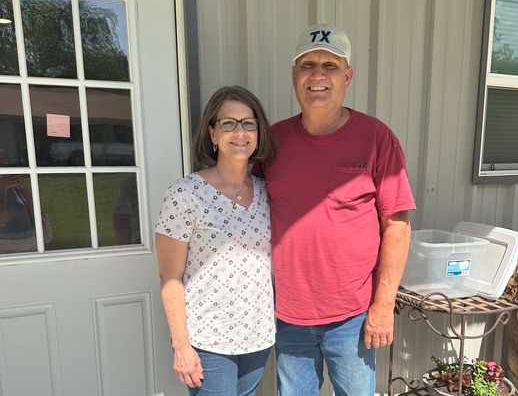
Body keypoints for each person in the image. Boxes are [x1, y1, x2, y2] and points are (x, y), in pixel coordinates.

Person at [252, 23, 417, 395]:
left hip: (353, 316)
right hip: (289, 314)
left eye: (330, 66)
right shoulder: (272, 142)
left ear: (348, 76)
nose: (318, 75)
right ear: (295, 76)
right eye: (308, 64)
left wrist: (383, 304)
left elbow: (397, 225)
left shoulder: (377, 138)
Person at [154, 85, 277, 396]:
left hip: (257, 335)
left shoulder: (267, 191)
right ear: (212, 133)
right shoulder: (184, 194)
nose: (240, 132)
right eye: (228, 123)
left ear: (259, 133)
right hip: (209, 340)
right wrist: (181, 345)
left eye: (249, 123)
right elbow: (170, 277)